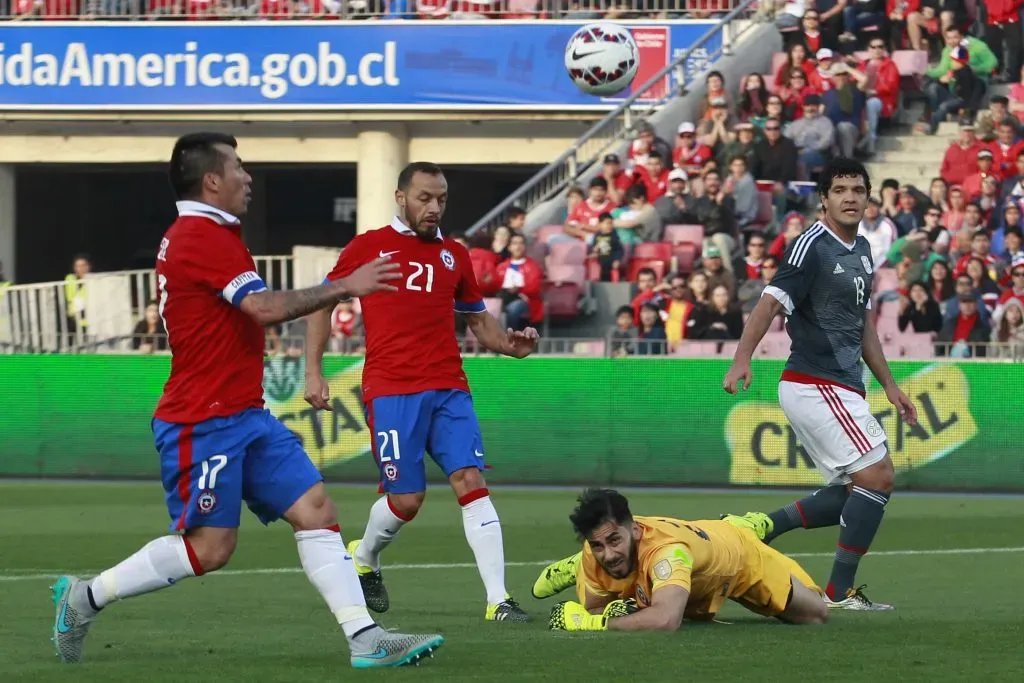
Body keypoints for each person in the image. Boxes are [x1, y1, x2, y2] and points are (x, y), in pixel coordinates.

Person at [49, 133, 443, 669]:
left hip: (244, 413)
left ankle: (364, 637)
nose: (248, 176)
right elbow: (260, 307)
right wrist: (343, 286)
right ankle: (84, 597)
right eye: (238, 166)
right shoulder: (199, 235)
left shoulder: (210, 233)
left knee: (317, 511)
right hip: (202, 420)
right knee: (211, 549)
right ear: (212, 180)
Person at [304, 161, 536, 624]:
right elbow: (322, 302)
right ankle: (365, 555)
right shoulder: (369, 247)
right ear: (401, 197)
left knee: (470, 481)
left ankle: (498, 601)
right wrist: (314, 371)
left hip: (449, 386)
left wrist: (511, 347)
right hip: (391, 389)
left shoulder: (454, 254)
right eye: (425, 198)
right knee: (407, 500)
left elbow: (479, 323)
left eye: (442, 199)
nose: (434, 208)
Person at [722, 157, 919, 611]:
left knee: (856, 490)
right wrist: (742, 357)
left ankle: (759, 527)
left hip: (844, 384)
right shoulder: (810, 245)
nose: (850, 197)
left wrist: (889, 385)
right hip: (813, 381)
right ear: (824, 200)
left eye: (857, 189)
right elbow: (771, 301)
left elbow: (863, 323)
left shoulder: (864, 249)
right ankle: (838, 593)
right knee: (879, 475)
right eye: (840, 190)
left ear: (869, 197)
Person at [536, 488, 829, 632]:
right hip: (695, 555)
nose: (607, 554)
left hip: (738, 559)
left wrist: (594, 625)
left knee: (814, 614)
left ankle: (748, 525)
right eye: (596, 545)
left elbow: (665, 621)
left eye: (614, 540)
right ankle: (577, 566)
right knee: (632, 586)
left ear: (635, 530)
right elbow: (597, 607)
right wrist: (604, 613)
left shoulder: (667, 553)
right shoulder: (597, 552)